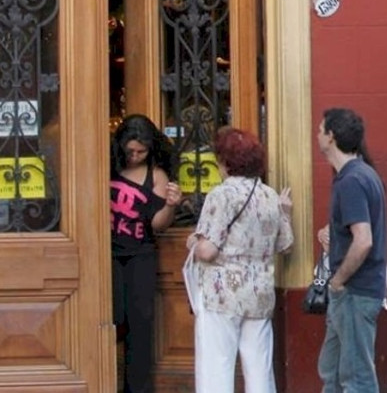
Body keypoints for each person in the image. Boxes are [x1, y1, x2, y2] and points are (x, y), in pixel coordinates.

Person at [188, 128, 294, 393]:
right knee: (259, 367)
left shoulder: (221, 195)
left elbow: (208, 251)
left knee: (217, 366)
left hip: (222, 294)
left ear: (225, 161)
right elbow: (285, 244)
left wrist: (192, 242)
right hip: (259, 293)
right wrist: (286, 213)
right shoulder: (269, 196)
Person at [316, 108, 387, 392]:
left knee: (356, 379)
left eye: (320, 130)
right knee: (332, 371)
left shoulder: (351, 180)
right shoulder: (361, 175)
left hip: (354, 292)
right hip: (355, 291)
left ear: (331, 136)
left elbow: (363, 240)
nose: (317, 135)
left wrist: (338, 280)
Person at [110, 114, 181, 393]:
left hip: (140, 257)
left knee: (139, 328)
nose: (136, 156)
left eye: (142, 151)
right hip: (106, 258)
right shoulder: (108, 167)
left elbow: (157, 224)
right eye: (130, 151)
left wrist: (171, 206)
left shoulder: (157, 175)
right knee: (108, 323)